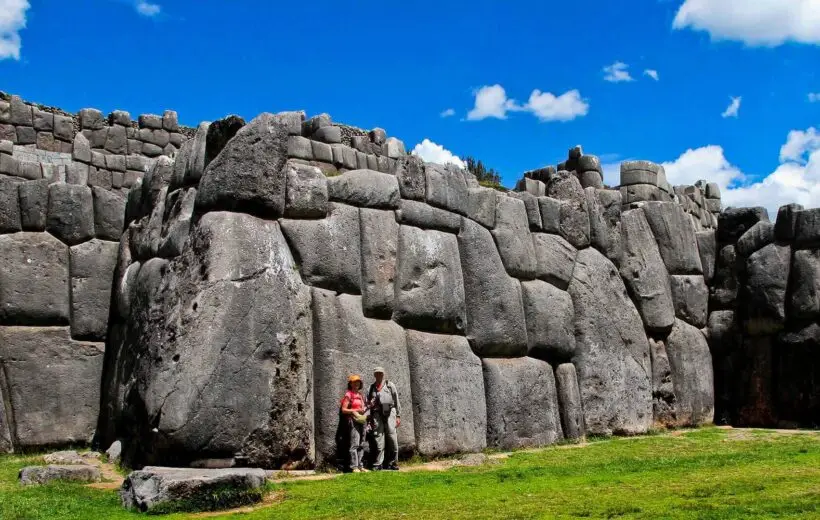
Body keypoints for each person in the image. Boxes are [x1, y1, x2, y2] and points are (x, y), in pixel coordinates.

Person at [367, 367, 401, 470]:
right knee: (379, 439)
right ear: (374, 375)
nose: (379, 375)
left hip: (389, 411)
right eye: (377, 373)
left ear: (383, 374)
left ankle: (393, 463)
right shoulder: (371, 388)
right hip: (377, 414)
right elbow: (367, 404)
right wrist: (369, 418)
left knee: (392, 437)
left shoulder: (390, 385)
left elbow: (396, 400)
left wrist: (398, 415)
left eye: (380, 373)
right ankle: (378, 464)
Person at [340, 374, 369, 473]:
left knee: (362, 444)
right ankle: (354, 467)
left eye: (358, 382)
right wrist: (354, 410)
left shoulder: (360, 395)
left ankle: (360, 466)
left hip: (362, 420)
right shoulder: (349, 394)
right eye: (354, 382)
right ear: (351, 384)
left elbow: (363, 408)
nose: (357, 383)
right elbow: (343, 409)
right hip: (353, 421)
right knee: (355, 444)